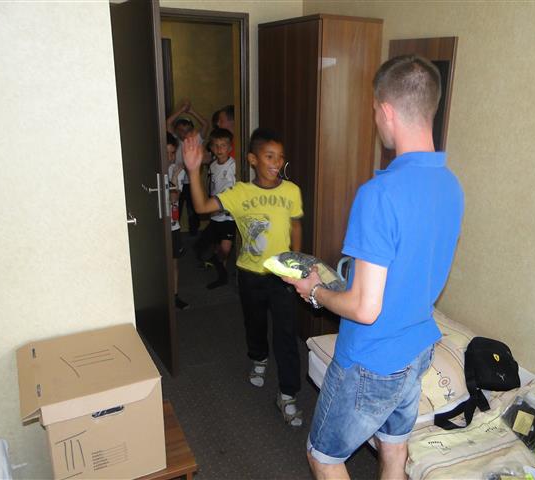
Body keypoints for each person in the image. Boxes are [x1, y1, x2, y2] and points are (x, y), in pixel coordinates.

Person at [284, 55, 464, 479]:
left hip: (372, 358)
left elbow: (366, 309)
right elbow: (411, 268)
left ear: (386, 111)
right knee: (394, 447)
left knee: (324, 457)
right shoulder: (450, 184)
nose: (375, 121)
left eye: (374, 112)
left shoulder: (379, 194)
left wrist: (315, 291)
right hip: (417, 347)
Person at [182, 127, 305, 427]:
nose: (276, 162)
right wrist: (194, 171)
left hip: (282, 276)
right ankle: (259, 358)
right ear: (252, 159)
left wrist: (297, 263)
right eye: (269, 156)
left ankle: (287, 394)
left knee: (286, 334)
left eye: (280, 157)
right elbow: (201, 207)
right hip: (250, 275)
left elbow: (296, 226)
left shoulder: (291, 191)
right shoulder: (240, 193)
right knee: (255, 324)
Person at [194, 128, 237, 289]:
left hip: (229, 215)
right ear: (211, 147)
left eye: (223, 145)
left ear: (230, 147)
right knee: (207, 246)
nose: (219, 149)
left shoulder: (234, 165)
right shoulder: (212, 166)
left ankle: (219, 268)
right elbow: (212, 186)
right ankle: (222, 274)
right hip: (215, 213)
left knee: (225, 248)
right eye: (216, 145)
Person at [166, 100, 210, 235]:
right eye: (181, 130)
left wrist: (191, 111)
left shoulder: (196, 140)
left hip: (191, 182)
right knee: (175, 206)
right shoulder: (175, 140)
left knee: (193, 209)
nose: (184, 134)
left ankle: (194, 233)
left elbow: (205, 124)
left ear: (191, 131)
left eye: (187, 131)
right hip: (176, 181)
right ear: (176, 131)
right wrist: (181, 110)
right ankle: (174, 230)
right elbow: (168, 123)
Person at [166, 132, 190, 311]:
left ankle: (174, 296)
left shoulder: (177, 170)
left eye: (173, 153)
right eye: (166, 153)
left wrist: (174, 175)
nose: (170, 157)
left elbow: (174, 198)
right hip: (157, 226)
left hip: (173, 225)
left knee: (174, 262)